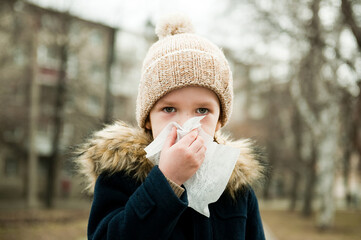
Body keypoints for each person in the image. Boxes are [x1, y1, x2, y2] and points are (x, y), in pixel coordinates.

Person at [76, 14, 266, 240]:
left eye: (202, 111)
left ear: (220, 121)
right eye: (169, 109)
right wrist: (166, 181)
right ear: (147, 119)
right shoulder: (121, 176)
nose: (186, 124)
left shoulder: (236, 187)